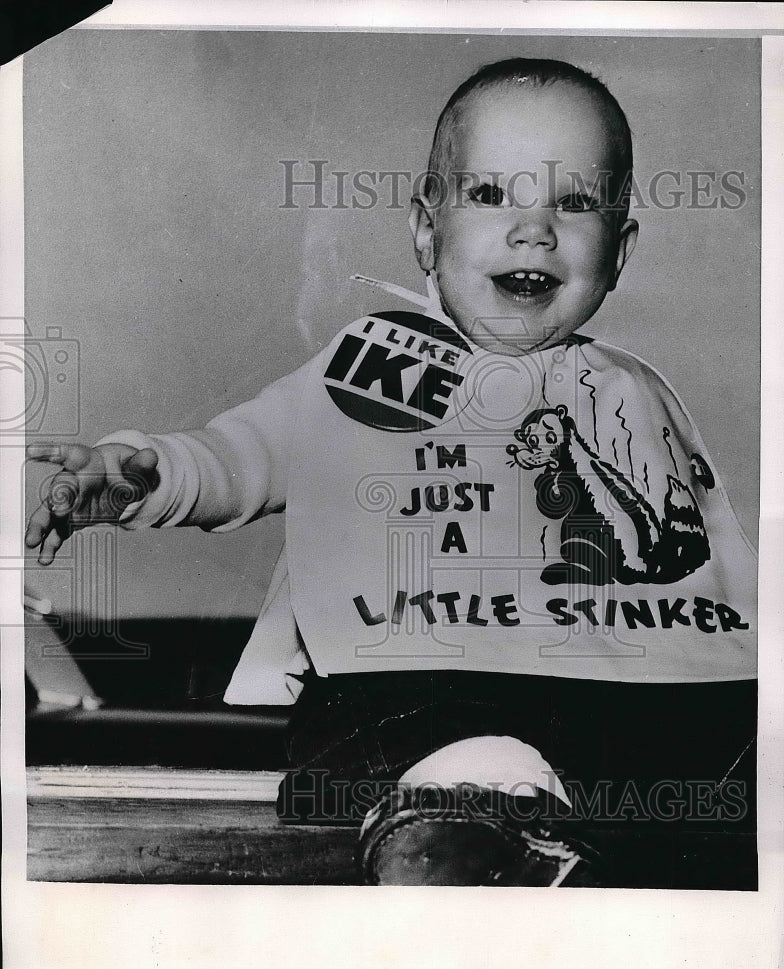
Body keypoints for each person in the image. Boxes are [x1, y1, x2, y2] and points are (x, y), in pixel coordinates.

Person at [25, 59, 757, 887]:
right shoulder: (376, 368)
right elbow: (242, 453)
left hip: (627, 697)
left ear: (619, 250)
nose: (534, 229)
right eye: (489, 196)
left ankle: (583, 849)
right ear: (423, 232)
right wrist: (141, 475)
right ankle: (466, 831)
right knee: (406, 727)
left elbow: (702, 568)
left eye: (576, 202)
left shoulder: (633, 392)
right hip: (423, 688)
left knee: (730, 739)